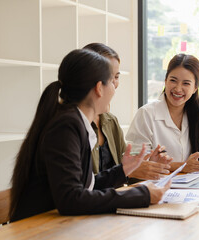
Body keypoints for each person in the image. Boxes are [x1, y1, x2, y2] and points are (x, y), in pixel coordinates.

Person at [9, 49, 170, 222]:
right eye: (111, 81)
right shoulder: (66, 126)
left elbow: (86, 186)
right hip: (36, 230)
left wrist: (122, 170)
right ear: (99, 88)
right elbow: (71, 199)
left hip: (57, 225)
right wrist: (142, 195)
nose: (115, 89)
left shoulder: (73, 121)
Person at [83, 43, 172, 180]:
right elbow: (85, 189)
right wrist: (129, 171)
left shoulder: (110, 121)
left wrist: (147, 167)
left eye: (117, 77)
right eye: (109, 77)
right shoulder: (74, 126)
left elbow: (123, 174)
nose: (114, 84)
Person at [126, 53, 199, 173]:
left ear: (195, 88)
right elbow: (137, 164)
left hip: (190, 186)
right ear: (165, 81)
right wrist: (182, 166)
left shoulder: (198, 113)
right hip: (155, 187)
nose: (178, 89)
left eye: (186, 83)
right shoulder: (146, 114)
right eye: (173, 80)